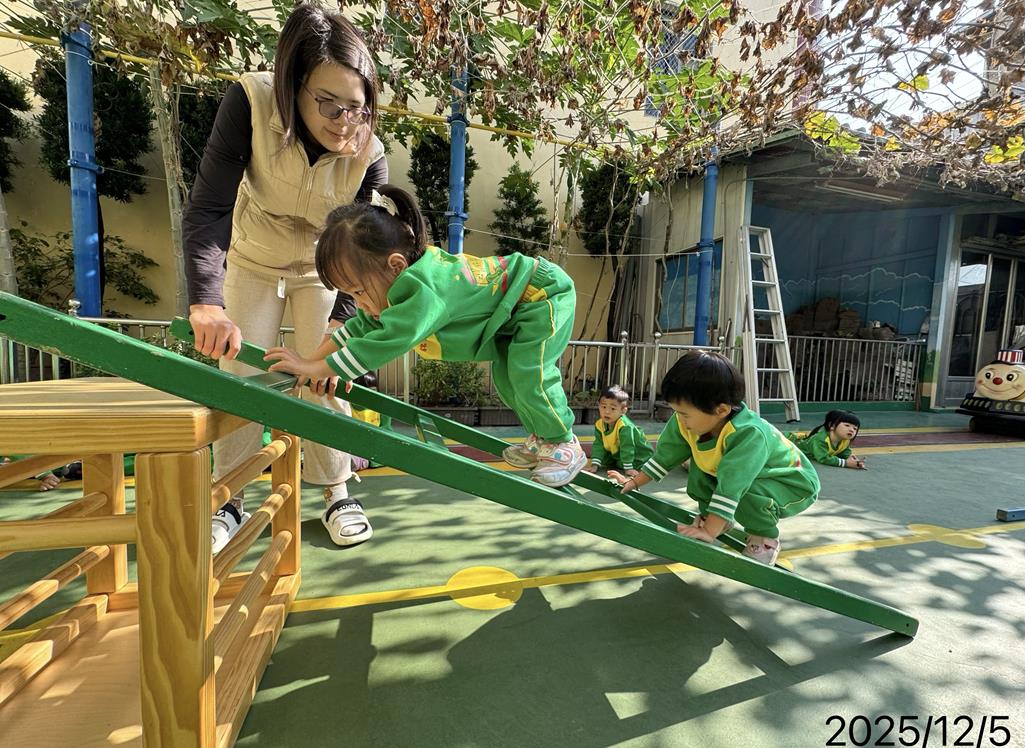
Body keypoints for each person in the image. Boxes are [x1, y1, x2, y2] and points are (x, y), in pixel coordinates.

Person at [182, 3, 387, 550]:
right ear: (293, 85)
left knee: (327, 374)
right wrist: (206, 301)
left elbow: (366, 251)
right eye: (328, 103)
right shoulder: (250, 102)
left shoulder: (368, 152)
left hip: (325, 269)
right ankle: (229, 497)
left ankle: (338, 490)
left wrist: (343, 324)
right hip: (253, 257)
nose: (343, 121)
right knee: (241, 373)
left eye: (356, 107)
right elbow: (209, 207)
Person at [263, 184, 588, 488]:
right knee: (507, 378)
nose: (358, 303)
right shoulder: (395, 287)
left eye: (359, 291)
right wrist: (309, 361)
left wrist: (317, 368)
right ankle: (542, 438)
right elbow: (358, 328)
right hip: (513, 310)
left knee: (529, 372)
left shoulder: (424, 289)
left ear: (395, 265)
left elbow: (383, 342)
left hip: (540, 295)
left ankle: (563, 442)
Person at [608, 351, 819, 566]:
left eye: (685, 414)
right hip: (753, 476)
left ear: (721, 410)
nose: (679, 419)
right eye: (676, 411)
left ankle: (764, 540)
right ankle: (718, 519)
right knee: (699, 473)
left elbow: (732, 485)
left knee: (747, 495)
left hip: (790, 482)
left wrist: (709, 532)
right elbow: (665, 456)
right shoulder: (686, 422)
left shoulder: (748, 434)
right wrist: (634, 482)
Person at [582, 385, 653, 476]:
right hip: (618, 452)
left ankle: (628, 464)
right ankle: (621, 461)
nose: (607, 412)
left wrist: (628, 468)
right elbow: (598, 444)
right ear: (598, 406)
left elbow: (627, 446)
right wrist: (594, 465)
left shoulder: (625, 426)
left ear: (623, 411)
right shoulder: (599, 424)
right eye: (603, 407)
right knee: (603, 459)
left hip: (639, 454)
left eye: (613, 408)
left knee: (621, 463)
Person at [786, 410, 866, 469]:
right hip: (788, 444)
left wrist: (852, 459)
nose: (851, 430)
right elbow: (823, 458)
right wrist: (845, 463)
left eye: (855, 428)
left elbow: (844, 451)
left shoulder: (845, 440)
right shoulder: (820, 439)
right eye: (847, 425)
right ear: (832, 426)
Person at [348, 371, 393, 471]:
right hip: (353, 445)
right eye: (364, 392)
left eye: (373, 390)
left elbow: (387, 431)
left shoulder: (382, 407)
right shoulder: (348, 405)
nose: (369, 395)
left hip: (374, 445)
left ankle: (361, 462)